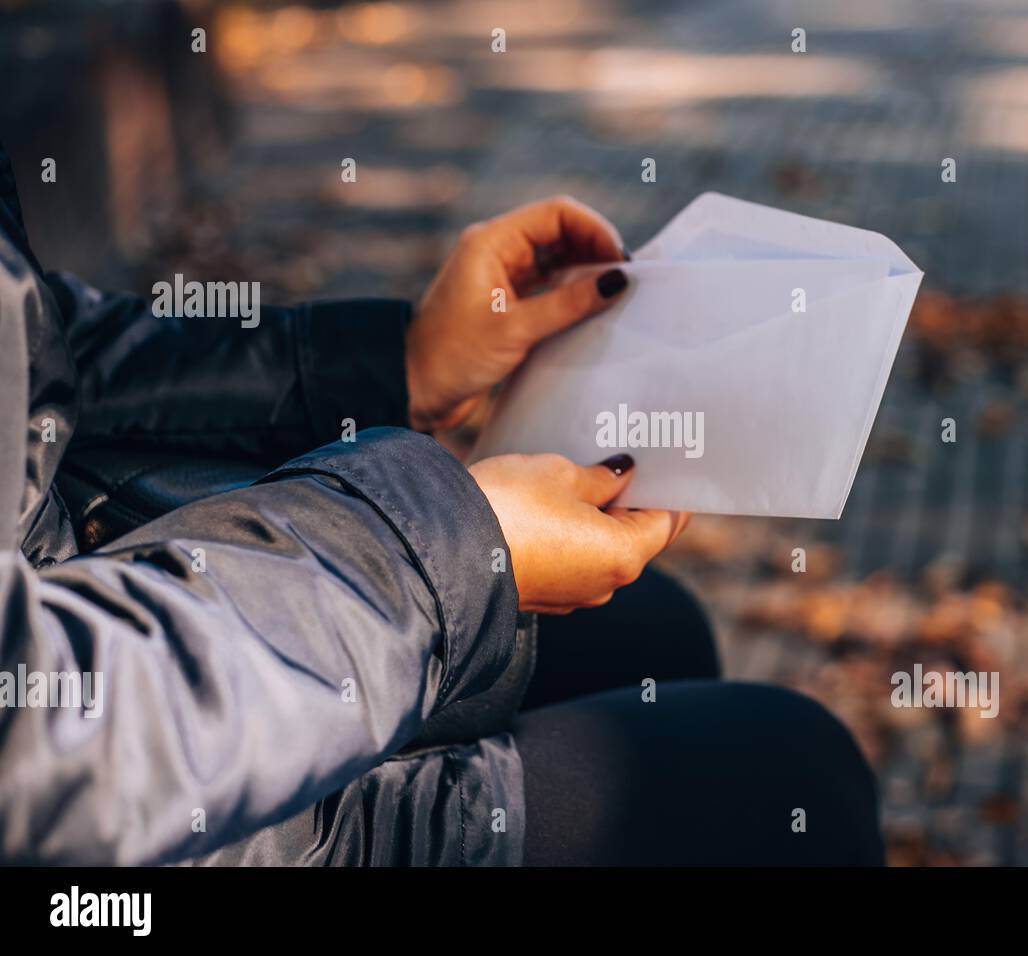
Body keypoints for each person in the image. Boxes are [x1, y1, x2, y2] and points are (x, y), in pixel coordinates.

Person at [0, 140, 883, 865]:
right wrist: (451, 547)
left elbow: (44, 354)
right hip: (123, 802)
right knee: (794, 779)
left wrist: (393, 363)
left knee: (655, 629)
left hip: (103, 599)